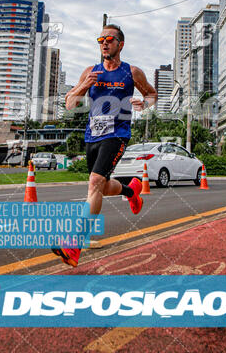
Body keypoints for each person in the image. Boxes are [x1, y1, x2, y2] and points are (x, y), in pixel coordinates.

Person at [52, 24, 158, 268]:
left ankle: (74, 244)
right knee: (101, 185)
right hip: (93, 136)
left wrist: (144, 104)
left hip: (117, 134)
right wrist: (83, 86)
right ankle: (131, 191)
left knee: (94, 183)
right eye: (100, 39)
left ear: (120, 44)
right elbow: (70, 104)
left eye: (109, 39)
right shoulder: (91, 71)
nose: (103, 43)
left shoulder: (132, 72)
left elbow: (152, 95)